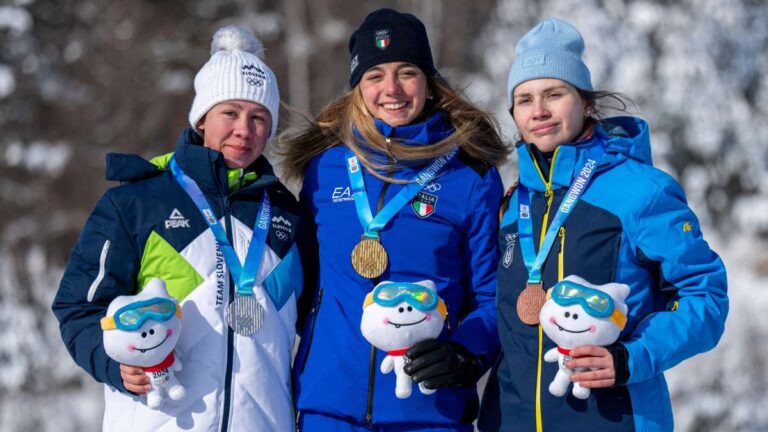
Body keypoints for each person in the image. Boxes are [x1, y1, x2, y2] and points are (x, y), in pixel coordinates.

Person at [52, 25, 309, 431]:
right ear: (202, 118)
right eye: (230, 112)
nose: (245, 129)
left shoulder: (286, 214)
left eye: (259, 117)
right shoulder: (136, 203)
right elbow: (78, 307)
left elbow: (316, 321)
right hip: (159, 416)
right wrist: (113, 365)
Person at [477, 18, 728, 432]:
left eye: (554, 94)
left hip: (615, 419)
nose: (538, 111)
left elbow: (707, 297)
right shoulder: (512, 201)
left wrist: (631, 356)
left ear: (586, 102)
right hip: (511, 419)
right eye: (524, 99)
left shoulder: (641, 191)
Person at [278, 8, 509, 432]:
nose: (392, 89)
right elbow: (302, 283)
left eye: (407, 72)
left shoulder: (469, 177)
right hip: (328, 409)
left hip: (428, 412)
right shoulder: (325, 168)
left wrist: (464, 353)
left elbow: (493, 297)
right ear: (357, 87)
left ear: (428, 82)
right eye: (374, 76)